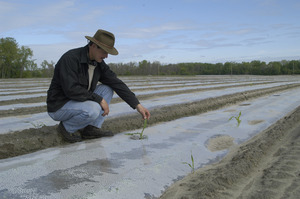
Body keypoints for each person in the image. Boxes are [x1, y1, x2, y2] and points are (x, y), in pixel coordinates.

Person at [47, 29, 150, 143]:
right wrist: (99, 99)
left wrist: (138, 105)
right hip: (59, 105)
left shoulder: (98, 63)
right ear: (94, 46)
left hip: (78, 101)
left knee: (108, 89)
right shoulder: (70, 58)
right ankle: (66, 128)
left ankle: (90, 129)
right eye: (105, 52)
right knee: (93, 109)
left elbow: (116, 83)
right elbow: (71, 90)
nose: (106, 56)